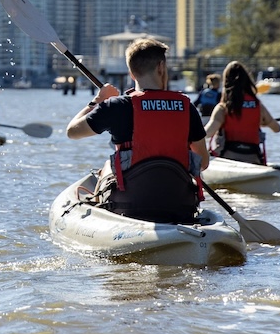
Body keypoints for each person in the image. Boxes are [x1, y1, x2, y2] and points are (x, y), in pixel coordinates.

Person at [65, 38, 209, 224]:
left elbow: (72, 131)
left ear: (132, 73)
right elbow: (203, 162)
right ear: (161, 67)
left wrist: (98, 100)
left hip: (129, 206)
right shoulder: (187, 107)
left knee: (108, 167)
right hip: (180, 205)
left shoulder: (116, 106)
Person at [203, 60, 280, 165]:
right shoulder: (258, 105)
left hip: (228, 158)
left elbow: (208, 133)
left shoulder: (223, 107)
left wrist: (190, 136)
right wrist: (262, 122)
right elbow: (277, 128)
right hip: (253, 157)